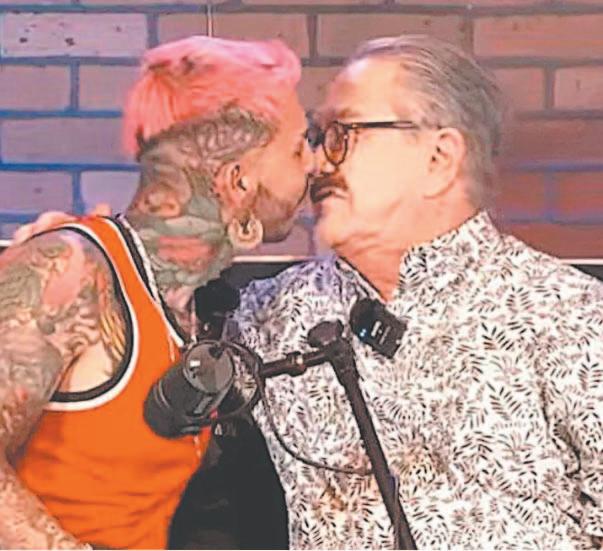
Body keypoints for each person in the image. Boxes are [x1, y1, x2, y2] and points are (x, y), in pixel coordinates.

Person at [17, 35, 603, 549]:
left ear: (438, 157)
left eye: (343, 134)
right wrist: (60, 263)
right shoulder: (262, 316)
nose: (319, 163)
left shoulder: (567, 316)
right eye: (314, 139)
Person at [0, 35, 310, 549]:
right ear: (237, 182)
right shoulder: (69, 270)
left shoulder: (193, 306)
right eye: (299, 148)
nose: (314, 164)